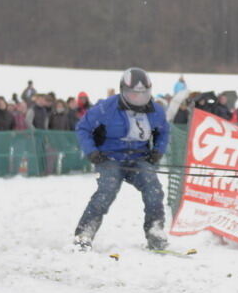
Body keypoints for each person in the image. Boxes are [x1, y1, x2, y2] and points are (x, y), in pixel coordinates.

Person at [73, 68, 170, 251]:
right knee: (107, 190)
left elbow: (163, 131)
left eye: (143, 94)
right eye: (133, 94)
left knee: (153, 189)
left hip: (139, 158)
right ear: (123, 91)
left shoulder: (155, 110)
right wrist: (92, 151)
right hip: (110, 157)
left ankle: (155, 229)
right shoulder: (106, 108)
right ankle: (84, 232)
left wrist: (158, 150)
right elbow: (83, 128)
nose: (139, 99)